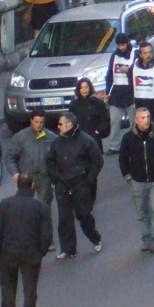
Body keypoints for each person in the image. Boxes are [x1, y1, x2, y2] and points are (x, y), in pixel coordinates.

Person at [0, 174, 52, 307]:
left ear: (18, 186)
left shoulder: (5, 205)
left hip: (8, 254)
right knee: (30, 292)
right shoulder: (41, 208)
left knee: (8, 291)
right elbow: (46, 234)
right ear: (32, 185)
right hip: (31, 255)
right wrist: (41, 252)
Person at [119, 106, 154, 253]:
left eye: (148, 117)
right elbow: (123, 159)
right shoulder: (128, 138)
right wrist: (128, 177)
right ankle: (146, 240)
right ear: (136, 120)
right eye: (143, 118)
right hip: (137, 182)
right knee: (142, 213)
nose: (146, 120)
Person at [46, 111, 104, 259]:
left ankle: (95, 237)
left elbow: (97, 162)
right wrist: (56, 179)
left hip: (80, 184)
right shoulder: (56, 143)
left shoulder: (86, 141)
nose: (58, 127)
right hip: (62, 185)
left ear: (69, 125)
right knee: (64, 217)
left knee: (83, 215)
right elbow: (50, 162)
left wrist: (89, 179)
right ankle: (68, 248)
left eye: (60, 124)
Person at [5, 109, 55, 244]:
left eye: (41, 122)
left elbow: (56, 159)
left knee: (45, 209)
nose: (39, 125)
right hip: (26, 179)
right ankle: (28, 237)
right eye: (36, 122)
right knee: (25, 209)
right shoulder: (21, 137)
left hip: (44, 178)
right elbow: (10, 157)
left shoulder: (51, 138)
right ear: (31, 120)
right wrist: (15, 173)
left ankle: (47, 240)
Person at [102, 33, 136, 149]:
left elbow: (139, 69)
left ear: (127, 43)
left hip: (131, 92)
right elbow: (110, 74)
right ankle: (113, 146)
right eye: (119, 45)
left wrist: (128, 70)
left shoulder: (134, 53)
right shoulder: (114, 55)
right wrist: (108, 92)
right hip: (116, 93)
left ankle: (134, 144)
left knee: (134, 122)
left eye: (123, 45)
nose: (121, 47)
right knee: (115, 121)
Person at [67, 77, 111, 151]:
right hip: (79, 138)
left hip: (94, 137)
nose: (84, 90)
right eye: (81, 87)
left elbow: (105, 118)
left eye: (86, 87)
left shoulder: (97, 103)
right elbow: (69, 120)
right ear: (78, 89)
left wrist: (98, 130)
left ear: (90, 88)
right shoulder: (74, 104)